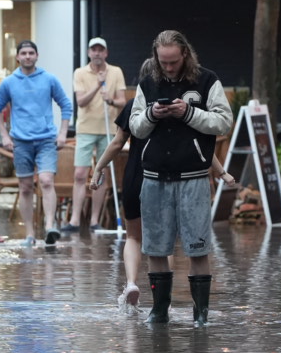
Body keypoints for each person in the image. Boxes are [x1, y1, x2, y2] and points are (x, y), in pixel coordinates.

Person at [128, 29, 233, 326]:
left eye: (173, 61)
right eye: (163, 62)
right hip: (154, 175)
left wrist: (189, 112)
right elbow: (135, 127)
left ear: (185, 54)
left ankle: (201, 314)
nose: (168, 67)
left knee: (198, 247)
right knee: (156, 247)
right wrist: (152, 114)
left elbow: (224, 122)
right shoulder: (147, 81)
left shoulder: (207, 80)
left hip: (194, 175)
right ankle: (159, 310)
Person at [93, 104, 234, 312]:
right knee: (164, 241)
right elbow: (200, 146)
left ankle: (131, 283)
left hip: (135, 174)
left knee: (132, 236)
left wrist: (99, 167)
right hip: (163, 177)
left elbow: (117, 143)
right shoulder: (179, 105)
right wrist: (221, 172)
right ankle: (161, 297)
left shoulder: (134, 105)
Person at [0, 40, 74, 247]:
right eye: (24, 53)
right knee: (26, 187)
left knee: (46, 180)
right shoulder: (9, 82)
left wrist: (62, 133)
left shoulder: (49, 79)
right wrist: (4, 136)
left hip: (46, 139)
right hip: (20, 141)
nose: (27, 56)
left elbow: (65, 104)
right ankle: (29, 233)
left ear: (37, 56)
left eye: (31, 53)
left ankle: (49, 226)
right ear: (18, 57)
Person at [65, 36, 127, 234]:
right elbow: (81, 101)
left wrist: (110, 100)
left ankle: (94, 221)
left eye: (101, 50)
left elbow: (123, 102)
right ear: (89, 53)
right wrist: (98, 85)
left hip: (108, 131)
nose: (97, 53)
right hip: (85, 129)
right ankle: (75, 220)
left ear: (106, 53)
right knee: (80, 174)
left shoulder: (116, 71)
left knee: (101, 175)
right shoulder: (80, 73)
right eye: (94, 50)